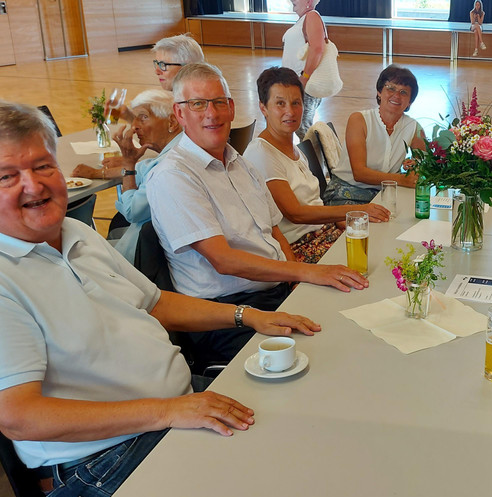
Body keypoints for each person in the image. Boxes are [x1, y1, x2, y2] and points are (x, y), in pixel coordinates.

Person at [0, 99, 321, 497]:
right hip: (102, 456)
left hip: (172, 405)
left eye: (43, 166)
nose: (34, 185)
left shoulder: (73, 231)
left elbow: (156, 303)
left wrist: (247, 316)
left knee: (309, 421)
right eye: (7, 176)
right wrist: (167, 411)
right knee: (279, 495)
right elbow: (20, 418)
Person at [146, 63, 367, 362]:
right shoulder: (174, 175)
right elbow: (223, 260)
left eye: (219, 102)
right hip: (227, 314)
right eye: (197, 104)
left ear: (231, 108)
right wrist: (306, 271)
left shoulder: (241, 165)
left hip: (274, 292)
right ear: (179, 113)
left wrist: (297, 283)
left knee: (352, 326)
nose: (211, 113)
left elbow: (273, 231)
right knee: (322, 358)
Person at [243, 67, 390, 263]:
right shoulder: (262, 152)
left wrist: (341, 220)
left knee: (386, 246)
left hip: (323, 232)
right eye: (280, 103)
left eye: (296, 103)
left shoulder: (293, 148)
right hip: (301, 246)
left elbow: (312, 203)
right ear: (263, 108)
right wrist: (355, 210)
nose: (290, 111)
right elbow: (296, 214)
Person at [72, 89, 183, 262]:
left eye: (143, 117)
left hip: (147, 257)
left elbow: (132, 212)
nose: (134, 126)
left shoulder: (166, 168)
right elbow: (143, 169)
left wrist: (128, 165)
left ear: (172, 122)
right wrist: (98, 173)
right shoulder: (182, 146)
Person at [322, 65, 426, 206]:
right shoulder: (359, 120)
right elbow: (359, 173)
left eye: (403, 92)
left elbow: (426, 164)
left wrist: (415, 165)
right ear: (379, 92)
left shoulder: (413, 127)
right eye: (391, 88)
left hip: (386, 195)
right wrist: (402, 179)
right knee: (370, 220)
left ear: (410, 102)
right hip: (346, 192)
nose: (396, 95)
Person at [282, 0, 332, 140]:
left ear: (309, 1)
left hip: (305, 84)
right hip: (297, 83)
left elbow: (317, 49)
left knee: (303, 128)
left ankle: (319, 154)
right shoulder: (304, 19)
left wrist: (304, 77)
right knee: (301, 127)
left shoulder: (312, 16)